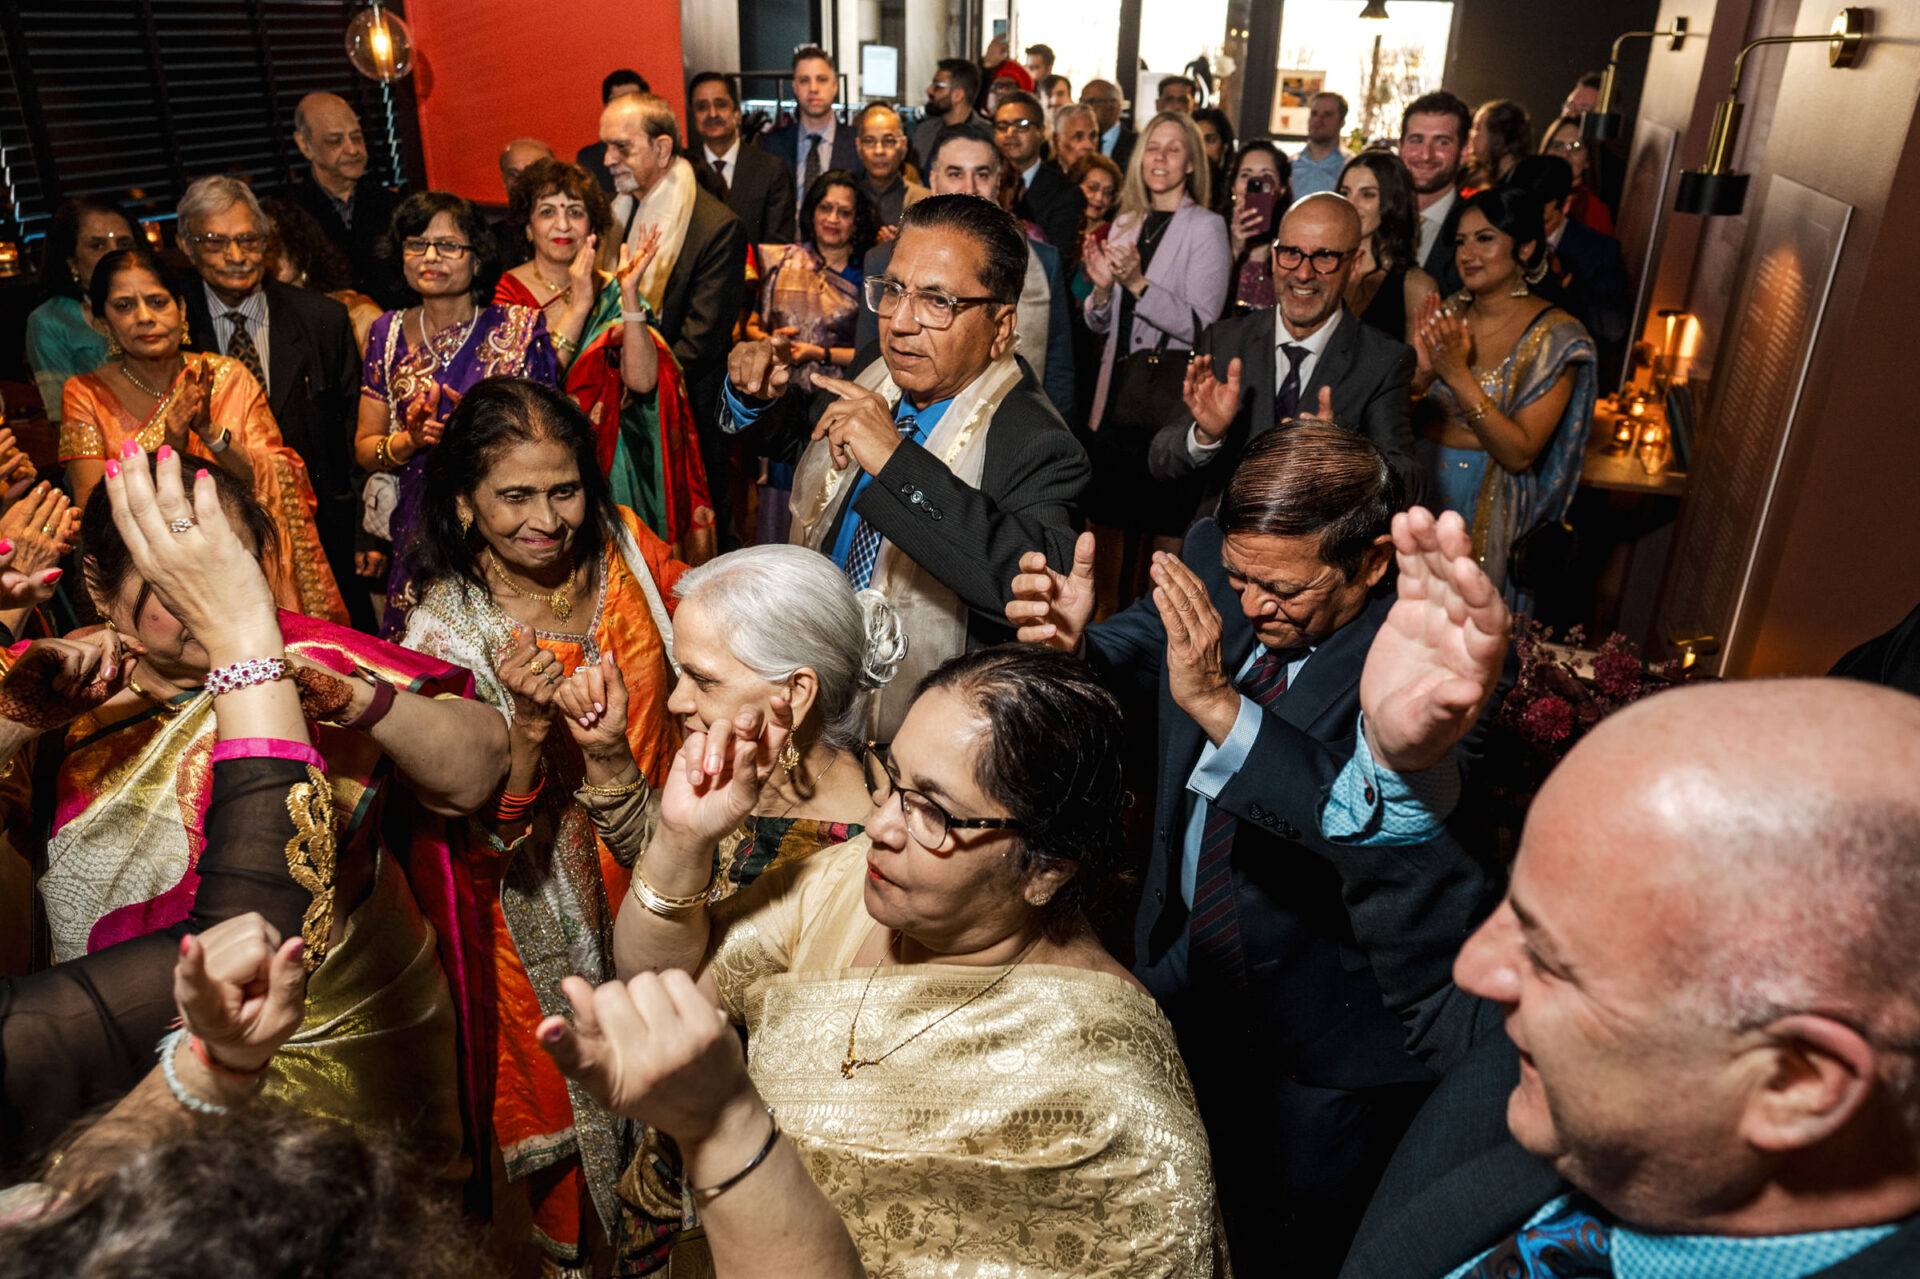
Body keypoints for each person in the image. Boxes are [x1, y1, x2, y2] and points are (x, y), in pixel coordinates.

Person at [1010, 428, 1507, 1275]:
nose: (1248, 607)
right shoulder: (1221, 556)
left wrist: (1220, 706)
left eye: (1281, 588)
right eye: (1238, 578)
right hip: (1183, 969)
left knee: (1288, 1250)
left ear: (1372, 562)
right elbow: (1147, 644)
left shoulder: (1435, 664)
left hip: (1325, 1045)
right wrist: (1079, 645)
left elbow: (1359, 827)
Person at [608, 643, 1228, 1276]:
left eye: (932, 810)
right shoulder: (841, 884)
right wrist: (682, 841)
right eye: (892, 780)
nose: (881, 826)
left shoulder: (1113, 1100)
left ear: (1046, 869)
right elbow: (660, 995)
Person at [3, 448, 505, 1181]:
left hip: (327, 1060)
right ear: (98, 588)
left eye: (225, 567)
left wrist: (364, 706)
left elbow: (482, 766)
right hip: (117, 1071)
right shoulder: (49, 685)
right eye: (175, 579)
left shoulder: (313, 659)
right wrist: (22, 720)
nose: (206, 599)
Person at [1342, 676, 1920, 1279]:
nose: (1478, 966)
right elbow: (1446, 994)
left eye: (1550, 959)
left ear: (1793, 1081)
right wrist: (1400, 764)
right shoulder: (1589, 1058)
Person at [392, 376, 686, 1266]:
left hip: (669, 861)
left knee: (689, 1093)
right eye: (514, 495)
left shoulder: (630, 550)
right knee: (590, 1121)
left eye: (564, 489)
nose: (546, 519)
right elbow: (489, 833)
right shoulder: (446, 630)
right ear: (465, 504)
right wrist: (526, 727)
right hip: (546, 910)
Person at [569, 543, 903, 1267]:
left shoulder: (875, 855)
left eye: (702, 679)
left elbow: (673, 993)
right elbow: (663, 931)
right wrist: (613, 763)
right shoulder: (737, 777)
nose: (676, 700)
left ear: (796, 693)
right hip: (676, 1160)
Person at [725, 195, 1090, 740]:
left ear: (1001, 326)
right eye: (893, 290)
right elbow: (816, 448)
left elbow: (1030, 585)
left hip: (924, 738)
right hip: (814, 679)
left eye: (938, 301)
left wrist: (895, 461)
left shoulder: (1037, 441)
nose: (900, 322)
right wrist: (755, 397)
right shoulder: (883, 367)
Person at [60, 249, 348, 623]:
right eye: (124, 306)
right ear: (102, 322)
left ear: (181, 309)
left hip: (240, 560)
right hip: (152, 584)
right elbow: (93, 510)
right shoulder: (85, 393)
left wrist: (211, 433)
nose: (144, 317)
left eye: (157, 302)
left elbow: (262, 477)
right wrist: (170, 444)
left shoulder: (227, 376)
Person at [177, 176, 373, 633]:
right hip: (214, 530)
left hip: (322, 533)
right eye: (215, 241)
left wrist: (366, 532)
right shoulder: (172, 324)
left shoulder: (321, 318)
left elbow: (351, 430)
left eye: (248, 239)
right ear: (186, 245)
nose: (235, 255)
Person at [352, 191, 554, 633]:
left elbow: (549, 444)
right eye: (417, 243)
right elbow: (366, 449)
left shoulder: (518, 329)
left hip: (501, 521)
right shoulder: (385, 334)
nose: (431, 257)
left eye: (448, 245)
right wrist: (407, 441)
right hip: (419, 526)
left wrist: (482, 429)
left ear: (477, 258)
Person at [494, 158, 713, 558]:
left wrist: (629, 296)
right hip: (541, 466)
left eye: (575, 212)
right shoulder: (510, 292)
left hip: (616, 471)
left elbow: (644, 381)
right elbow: (524, 391)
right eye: (547, 212)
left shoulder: (614, 287)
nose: (563, 225)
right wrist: (579, 306)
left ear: (592, 228)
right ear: (527, 227)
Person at [1149, 193, 1420, 514]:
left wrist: (1341, 463)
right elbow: (1161, 460)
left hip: (1318, 557)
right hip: (1221, 548)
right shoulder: (1224, 339)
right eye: (1291, 253)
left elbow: (1409, 485)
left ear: (1355, 264)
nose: (1303, 274)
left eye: (1325, 257)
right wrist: (1205, 435)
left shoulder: (1383, 361)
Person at [1412, 185, 1596, 596]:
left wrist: (1457, 375)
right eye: (1460, 241)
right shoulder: (1447, 314)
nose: (1467, 253)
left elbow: (1518, 452)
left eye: (1485, 238)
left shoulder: (1557, 338)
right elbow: (1406, 416)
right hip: (1421, 492)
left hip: (1490, 507)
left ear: (1527, 248)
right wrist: (1421, 377)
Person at [1082, 111, 1231, 599]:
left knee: (1159, 550)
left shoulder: (1206, 227)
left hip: (1165, 408)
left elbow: (1204, 324)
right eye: (1152, 147)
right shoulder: (1126, 223)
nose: (1159, 157)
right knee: (1104, 538)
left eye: (1172, 148)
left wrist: (1137, 285)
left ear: (1191, 162)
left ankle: (1150, 654)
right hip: (1114, 403)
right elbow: (1101, 324)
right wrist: (1103, 292)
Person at [598, 91, 749, 542]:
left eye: (621, 147)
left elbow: (700, 343)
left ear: (662, 148)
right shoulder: (618, 213)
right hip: (622, 408)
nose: (607, 159)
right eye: (606, 146)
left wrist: (634, 374)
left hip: (687, 417)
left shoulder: (716, 225)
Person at [856, 126, 1075, 423]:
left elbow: (1059, 373)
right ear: (933, 180)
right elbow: (871, 360)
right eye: (955, 173)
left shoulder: (1043, 261)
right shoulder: (885, 259)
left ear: (997, 182)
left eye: (982, 174)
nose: (969, 187)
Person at [742, 171, 881, 544]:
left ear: (858, 220)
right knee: (779, 515)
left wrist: (818, 352)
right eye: (826, 208)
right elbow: (753, 326)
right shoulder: (784, 262)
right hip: (785, 407)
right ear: (812, 212)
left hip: (838, 406)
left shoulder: (868, 275)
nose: (833, 219)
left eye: (844, 212)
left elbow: (876, 350)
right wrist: (775, 344)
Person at [1510, 154, 1630, 386]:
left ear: (1564, 205)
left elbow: (1612, 330)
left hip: (1562, 377)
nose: (1529, 229)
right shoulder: (1504, 235)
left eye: (1540, 221)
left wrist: (1568, 283)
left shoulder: (1598, 251)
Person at [25, 198, 138, 428]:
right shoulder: (51, 321)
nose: (114, 255)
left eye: (124, 244)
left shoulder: (157, 306)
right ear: (73, 263)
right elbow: (64, 421)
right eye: (97, 246)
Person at [282, 92, 403, 304]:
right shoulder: (288, 215)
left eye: (357, 137)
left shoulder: (393, 205)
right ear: (305, 145)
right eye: (335, 141)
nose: (353, 149)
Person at [1337, 150, 1439, 350]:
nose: (1351, 204)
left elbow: (1419, 374)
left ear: (1393, 201)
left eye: (1367, 195)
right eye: (1344, 193)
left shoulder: (1416, 286)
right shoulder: (1322, 267)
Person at [260, 196, 384, 357]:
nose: (265, 258)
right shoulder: (256, 323)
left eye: (275, 246)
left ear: (300, 246)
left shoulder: (356, 315)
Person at [688, 71, 797, 246]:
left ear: (737, 113)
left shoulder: (771, 171)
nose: (712, 113)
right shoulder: (682, 171)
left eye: (720, 104)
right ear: (694, 117)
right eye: (702, 107)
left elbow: (778, 246)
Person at [762, 46, 862, 206]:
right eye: (804, 80)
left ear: (835, 85)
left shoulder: (858, 144)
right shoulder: (771, 145)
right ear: (794, 87)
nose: (813, 89)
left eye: (821, 79)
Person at [1400, 90, 1471, 295]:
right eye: (1416, 140)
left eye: (1442, 142)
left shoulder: (1476, 225)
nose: (1425, 155)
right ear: (1400, 146)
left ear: (1464, 152)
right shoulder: (1374, 216)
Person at [994, 90, 1084, 254]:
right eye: (1002, 126)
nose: (1010, 133)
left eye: (1021, 125)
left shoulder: (1066, 193)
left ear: (1042, 131)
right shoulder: (983, 183)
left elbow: (1057, 261)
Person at [1225, 140, 1293, 311]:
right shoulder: (1211, 232)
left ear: (1282, 188)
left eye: (1266, 177)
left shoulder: (1293, 243)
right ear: (1233, 186)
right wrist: (1234, 249)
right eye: (1246, 175)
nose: (1254, 183)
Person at [851, 104, 927, 228]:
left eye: (888, 141)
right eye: (870, 141)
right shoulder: (849, 200)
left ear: (903, 146)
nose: (879, 151)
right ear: (859, 147)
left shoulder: (923, 201)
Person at [576, 67, 650, 192]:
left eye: (633, 100)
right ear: (606, 109)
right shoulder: (590, 159)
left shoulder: (661, 150)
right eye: (618, 102)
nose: (626, 109)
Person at [1541, 113, 1615, 234]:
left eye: (1575, 146)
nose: (1564, 154)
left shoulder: (1595, 210)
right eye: (1557, 145)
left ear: (1588, 160)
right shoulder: (1524, 193)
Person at [911, 58, 983, 175]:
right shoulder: (924, 131)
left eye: (937, 86)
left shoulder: (987, 136)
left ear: (957, 95)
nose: (929, 90)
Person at [492, 137, 555, 270]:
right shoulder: (490, 239)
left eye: (533, 172)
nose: (523, 181)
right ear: (504, 182)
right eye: (513, 174)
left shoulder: (571, 231)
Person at [1465, 98, 1532, 190]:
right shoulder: (1470, 177)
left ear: (1498, 136)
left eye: (1477, 127)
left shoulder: (1518, 189)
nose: (1470, 134)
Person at [1082, 79, 1136, 169]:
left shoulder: (1136, 144)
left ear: (1113, 105)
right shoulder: (1079, 141)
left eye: (1091, 102)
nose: (1085, 108)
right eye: (1082, 101)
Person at [1192, 107, 1237, 214]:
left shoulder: (1235, 190)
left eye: (1209, 140)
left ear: (1224, 147)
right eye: (1196, 140)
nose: (1201, 147)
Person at [1051, 102, 1100, 176]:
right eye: (1078, 137)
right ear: (1057, 141)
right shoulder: (1040, 181)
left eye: (1092, 136)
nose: (1088, 146)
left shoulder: (1106, 181)